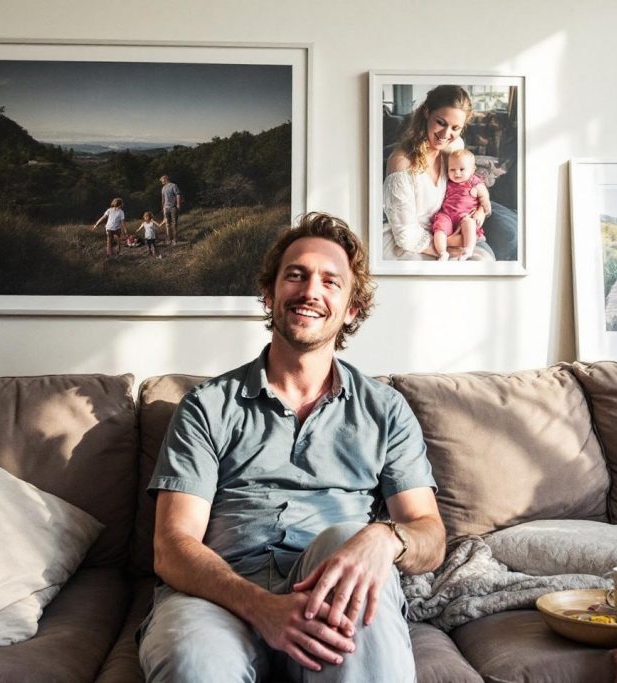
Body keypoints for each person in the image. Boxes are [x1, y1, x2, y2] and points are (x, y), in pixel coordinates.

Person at [138, 212, 445, 682]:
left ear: (352, 309)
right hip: (219, 596)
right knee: (193, 662)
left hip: (332, 589)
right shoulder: (207, 406)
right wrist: (263, 608)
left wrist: (386, 538)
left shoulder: (385, 410)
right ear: (270, 294)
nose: (310, 291)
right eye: (296, 275)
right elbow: (172, 547)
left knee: (347, 536)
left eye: (330, 281)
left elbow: (430, 535)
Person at [383, 85, 495, 261]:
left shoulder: (454, 147)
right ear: (427, 112)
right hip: (412, 242)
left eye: (455, 128)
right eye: (441, 123)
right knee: (479, 262)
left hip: (447, 227)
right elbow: (405, 235)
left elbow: (468, 184)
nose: (446, 134)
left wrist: (480, 210)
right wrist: (449, 242)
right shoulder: (401, 162)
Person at [429, 148, 492, 261]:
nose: (457, 173)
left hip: (465, 215)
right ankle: (442, 252)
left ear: (472, 170)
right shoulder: (447, 181)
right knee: (439, 229)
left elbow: (484, 196)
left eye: (462, 169)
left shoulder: (474, 182)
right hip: (447, 214)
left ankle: (468, 249)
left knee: (469, 223)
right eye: (452, 169)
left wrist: (483, 208)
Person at [160, 174, 182, 243]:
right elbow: (163, 199)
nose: (162, 182)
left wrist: (178, 204)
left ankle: (175, 239)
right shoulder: (163, 188)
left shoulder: (173, 185)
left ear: (165, 179)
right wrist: (163, 207)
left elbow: (178, 195)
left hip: (173, 207)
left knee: (174, 224)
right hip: (166, 208)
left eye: (162, 180)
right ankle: (169, 239)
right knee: (167, 224)